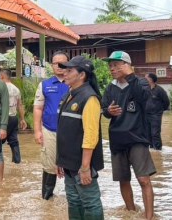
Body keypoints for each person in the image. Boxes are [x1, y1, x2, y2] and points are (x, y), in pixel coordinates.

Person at [102, 51, 156, 220]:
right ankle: (131, 213)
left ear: (127, 65)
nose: (112, 69)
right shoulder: (110, 87)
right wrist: (108, 112)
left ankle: (149, 217)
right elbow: (104, 110)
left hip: (137, 139)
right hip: (117, 140)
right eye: (110, 66)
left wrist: (130, 76)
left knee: (143, 179)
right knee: (123, 180)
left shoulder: (140, 82)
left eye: (116, 65)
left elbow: (143, 97)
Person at [56, 56, 105, 220]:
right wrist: (60, 160)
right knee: (74, 201)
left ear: (82, 75)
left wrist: (85, 167)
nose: (65, 73)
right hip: (68, 163)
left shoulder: (89, 98)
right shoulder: (70, 95)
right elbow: (64, 131)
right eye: (65, 70)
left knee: (90, 203)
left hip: (81, 164)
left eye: (70, 70)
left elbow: (91, 136)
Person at [33, 51, 70, 200]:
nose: (59, 66)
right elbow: (37, 108)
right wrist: (37, 131)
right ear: (52, 65)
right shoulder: (45, 85)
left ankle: (72, 197)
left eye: (63, 63)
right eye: (56, 63)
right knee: (49, 164)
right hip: (49, 130)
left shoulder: (74, 83)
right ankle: (47, 198)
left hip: (71, 132)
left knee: (72, 164)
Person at [0, 69, 26, 164]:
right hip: (14, 118)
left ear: (2, 76)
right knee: (13, 140)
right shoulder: (16, 89)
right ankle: (17, 161)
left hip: (3, 119)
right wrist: (22, 119)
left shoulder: (0, 88)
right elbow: (20, 105)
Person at [145, 73, 170, 150]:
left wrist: (160, 110)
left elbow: (166, 102)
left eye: (146, 77)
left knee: (155, 133)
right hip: (146, 114)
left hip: (156, 115)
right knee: (148, 133)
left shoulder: (160, 90)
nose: (145, 78)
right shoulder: (146, 89)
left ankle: (158, 150)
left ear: (151, 79)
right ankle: (152, 149)